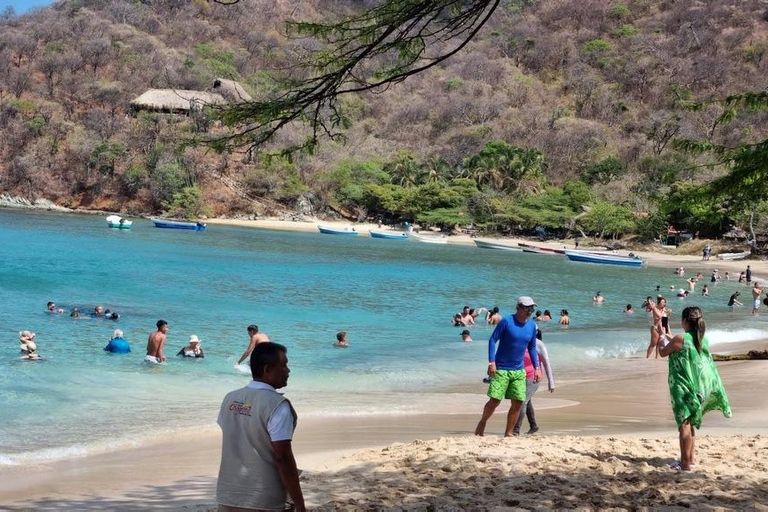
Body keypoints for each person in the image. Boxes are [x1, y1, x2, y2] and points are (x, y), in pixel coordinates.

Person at [216, 342, 305, 512]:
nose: (288, 371)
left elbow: (235, 435)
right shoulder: (278, 405)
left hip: (228, 494)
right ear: (268, 370)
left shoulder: (230, 398)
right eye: (284, 365)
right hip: (263, 498)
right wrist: (299, 503)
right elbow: (283, 457)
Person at [658, 306, 731, 471]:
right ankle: (689, 460)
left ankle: (684, 465)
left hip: (682, 385)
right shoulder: (701, 338)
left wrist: (660, 337)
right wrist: (666, 330)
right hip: (699, 386)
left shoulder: (680, 338)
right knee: (690, 422)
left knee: (683, 423)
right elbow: (680, 343)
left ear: (684, 321)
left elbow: (663, 351)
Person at [475, 296, 541, 437]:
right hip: (501, 369)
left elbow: (532, 347)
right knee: (495, 400)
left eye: (532, 308)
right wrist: (491, 362)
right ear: (518, 307)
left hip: (518, 370)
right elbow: (492, 340)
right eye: (527, 308)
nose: (530, 311)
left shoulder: (531, 326)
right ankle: (482, 422)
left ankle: (509, 433)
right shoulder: (506, 322)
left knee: (518, 402)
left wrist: (537, 368)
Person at [513, 329, 554, 436]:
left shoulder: (539, 344)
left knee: (522, 402)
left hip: (533, 378)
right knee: (527, 401)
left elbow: (546, 364)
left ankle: (515, 430)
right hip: (520, 377)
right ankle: (533, 426)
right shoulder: (520, 342)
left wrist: (551, 382)